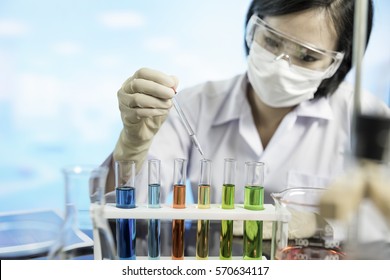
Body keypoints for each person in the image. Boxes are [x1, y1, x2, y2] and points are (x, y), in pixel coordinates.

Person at [103, 0, 389, 206]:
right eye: (272, 41)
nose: (281, 65)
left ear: (337, 63)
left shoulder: (366, 119)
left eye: (307, 56)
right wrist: (132, 146)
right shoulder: (192, 106)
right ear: (252, 28)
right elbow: (126, 217)